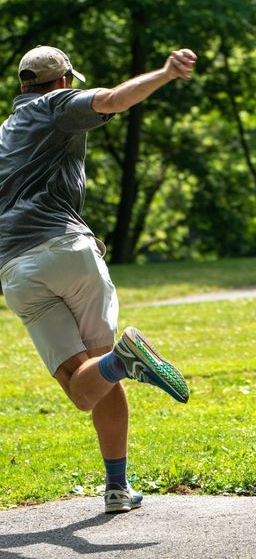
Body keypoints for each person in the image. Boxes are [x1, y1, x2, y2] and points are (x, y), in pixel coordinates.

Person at [0, 45, 197, 514]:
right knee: (100, 372)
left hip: (15, 269)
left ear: (22, 86)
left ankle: (116, 489)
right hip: (68, 252)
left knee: (83, 388)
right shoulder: (55, 105)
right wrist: (167, 74)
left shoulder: (5, 132)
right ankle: (122, 361)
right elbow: (111, 100)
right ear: (64, 81)